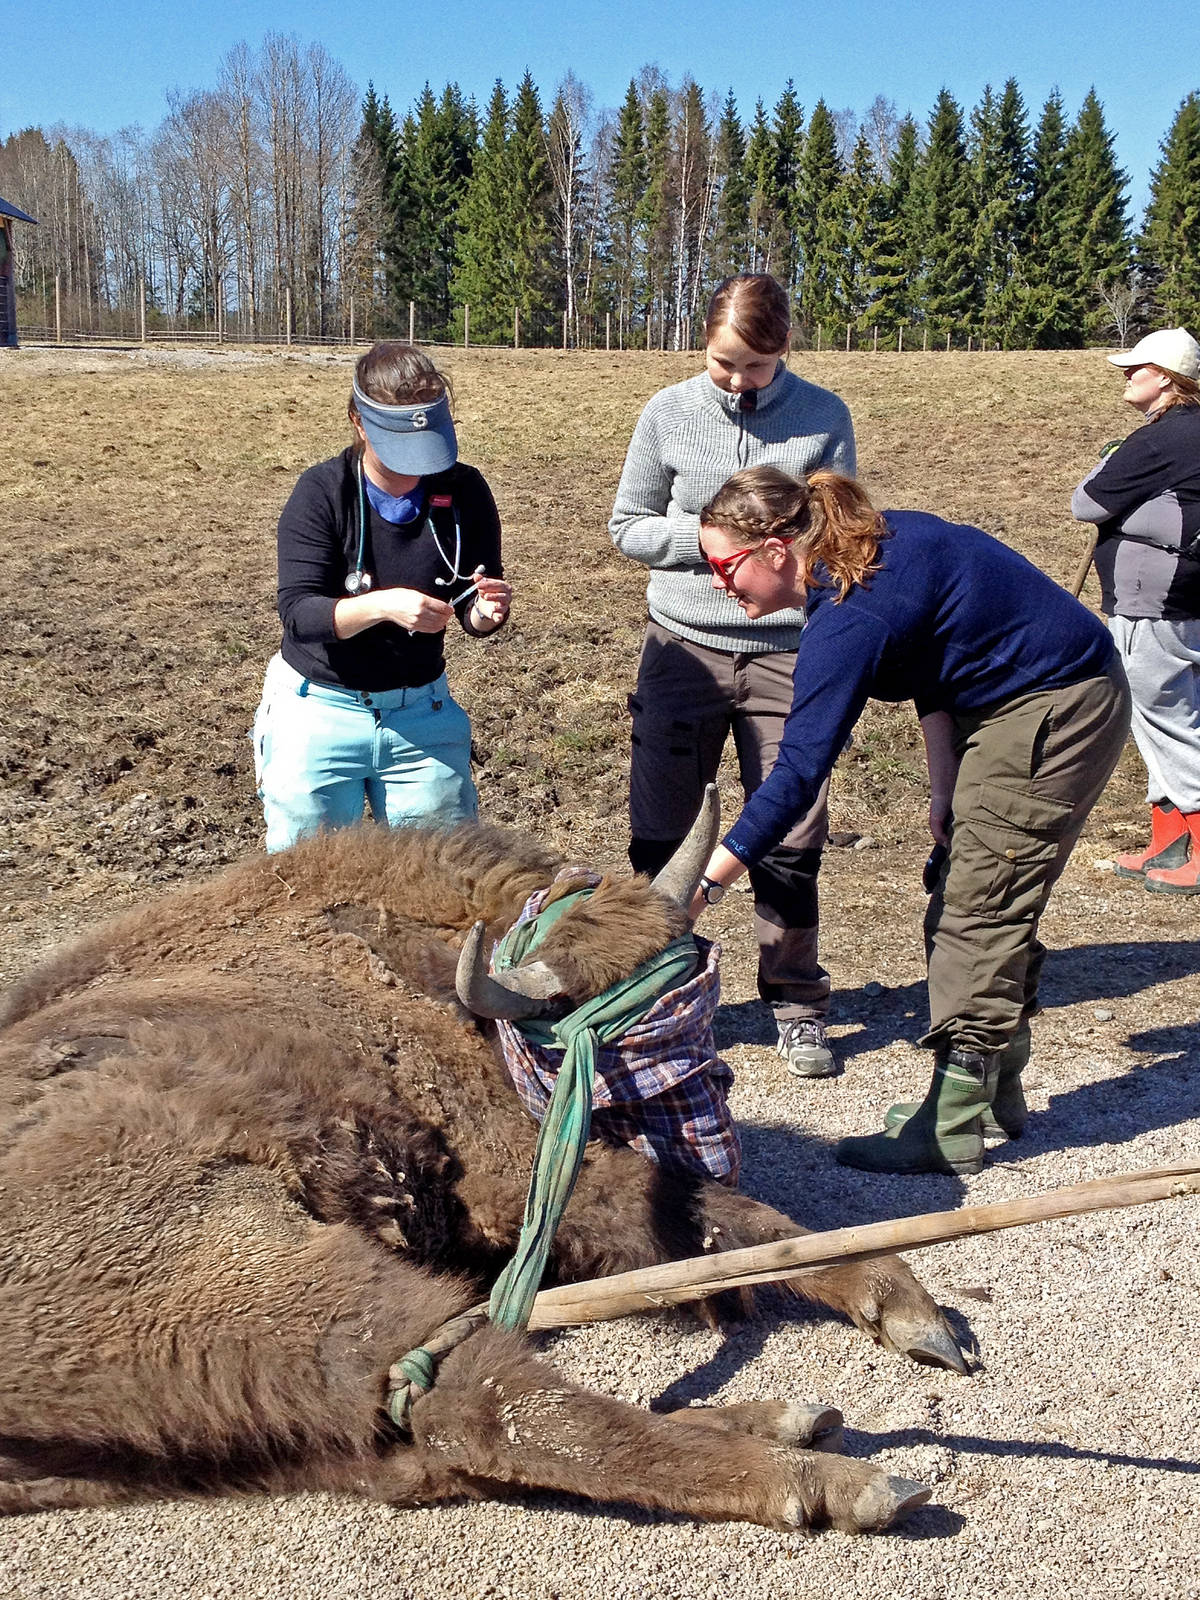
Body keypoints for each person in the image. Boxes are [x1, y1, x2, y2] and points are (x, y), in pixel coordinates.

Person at [687, 465, 1131, 1177]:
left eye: (722, 565)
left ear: (774, 549)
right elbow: (936, 660)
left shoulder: (850, 611)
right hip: (1010, 701)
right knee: (968, 892)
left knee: (975, 909)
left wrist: (704, 886)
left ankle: (952, 1124)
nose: (717, 583)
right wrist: (945, 786)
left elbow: (799, 771)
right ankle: (994, 1093)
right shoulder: (863, 551)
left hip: (1055, 704)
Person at [609, 273, 856, 1080]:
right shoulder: (666, 414)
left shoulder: (824, 417)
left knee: (791, 828)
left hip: (790, 648)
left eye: (756, 367)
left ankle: (796, 1002)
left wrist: (775, 557)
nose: (738, 382)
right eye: (724, 364)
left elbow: (839, 527)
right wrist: (718, 544)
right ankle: (660, 994)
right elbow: (629, 525)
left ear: (786, 351)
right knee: (664, 827)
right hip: (683, 646)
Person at [254, 342, 512, 852]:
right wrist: (383, 606)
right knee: (312, 883)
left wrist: (484, 612)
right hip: (318, 712)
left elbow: (470, 596)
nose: (416, 471)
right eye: (400, 453)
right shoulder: (322, 492)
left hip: (421, 711)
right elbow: (299, 613)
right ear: (358, 420)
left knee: (448, 874)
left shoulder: (465, 491)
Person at [1071, 326, 1200, 895]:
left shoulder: (1163, 438)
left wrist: (1110, 466)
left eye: (1137, 366)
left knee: (1167, 716)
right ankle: (1168, 840)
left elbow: (1086, 502)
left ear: (1166, 379)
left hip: (1154, 604)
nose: (1126, 373)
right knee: (1159, 717)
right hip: (1176, 599)